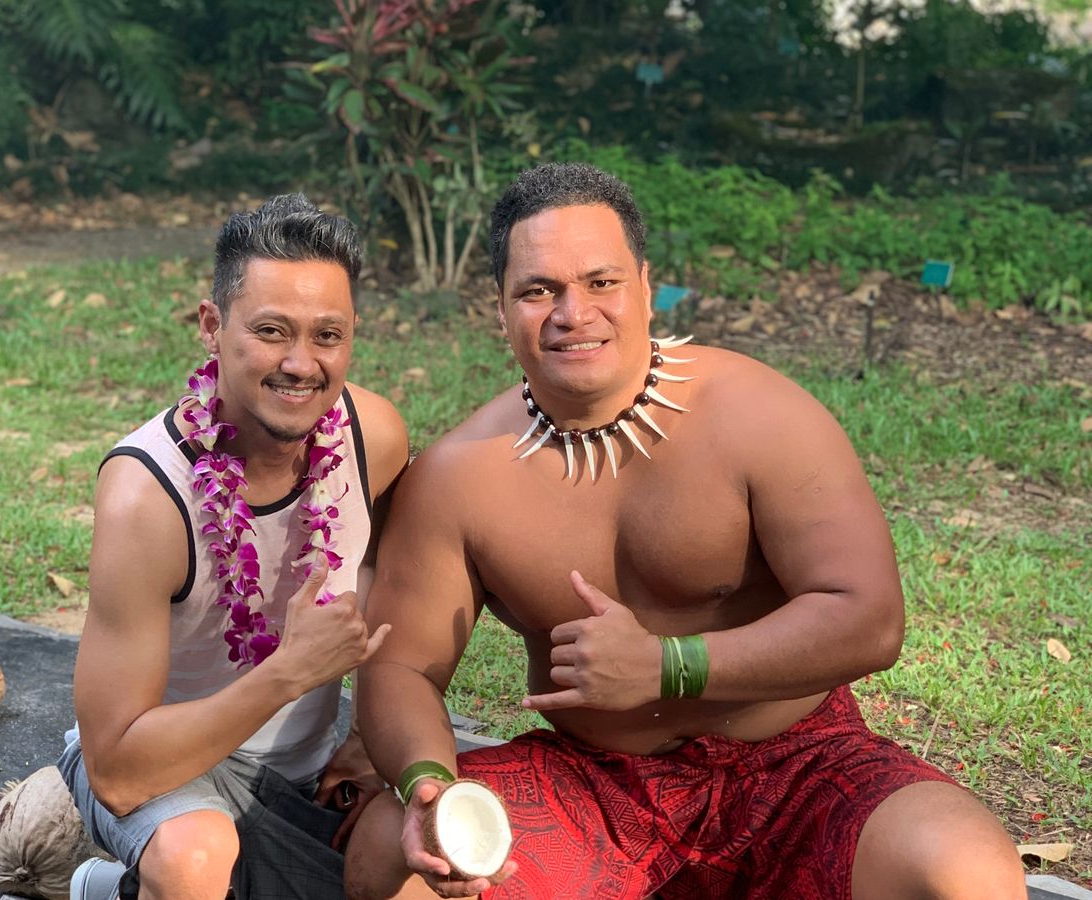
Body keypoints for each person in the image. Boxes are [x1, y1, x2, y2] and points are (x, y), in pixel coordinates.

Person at [342, 163, 1026, 899]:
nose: (573, 313)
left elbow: (869, 620)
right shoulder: (459, 476)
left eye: (601, 282)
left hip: (799, 768)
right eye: (538, 290)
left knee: (964, 868)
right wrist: (428, 785)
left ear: (645, 285)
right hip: (596, 789)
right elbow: (400, 670)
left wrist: (671, 665)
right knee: (393, 852)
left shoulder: (758, 415)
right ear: (499, 309)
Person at [57, 193, 408, 900]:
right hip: (166, 769)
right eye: (272, 331)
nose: (301, 364)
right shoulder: (148, 497)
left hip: (307, 775)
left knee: (435, 855)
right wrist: (288, 672)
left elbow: (396, 572)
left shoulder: (373, 437)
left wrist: (373, 735)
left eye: (328, 335)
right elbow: (118, 770)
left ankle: (114, 891)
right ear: (212, 327)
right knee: (195, 858)